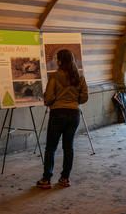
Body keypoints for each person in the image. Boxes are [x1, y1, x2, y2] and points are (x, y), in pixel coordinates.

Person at [37, 49, 89, 189]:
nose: (55, 61)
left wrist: (52, 100)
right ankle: (65, 178)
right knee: (68, 147)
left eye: (57, 58)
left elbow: (48, 98)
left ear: (60, 61)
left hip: (57, 114)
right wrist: (74, 101)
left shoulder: (54, 77)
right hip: (74, 115)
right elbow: (84, 97)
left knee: (51, 148)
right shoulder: (80, 77)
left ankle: (46, 179)